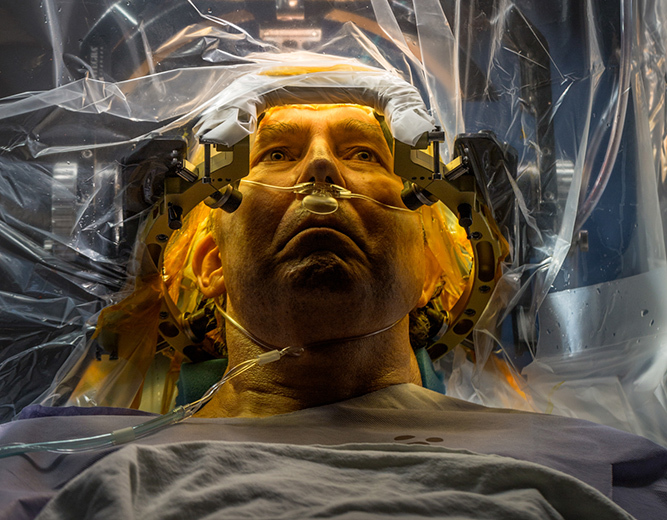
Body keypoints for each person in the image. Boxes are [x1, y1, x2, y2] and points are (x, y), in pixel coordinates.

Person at [1, 102, 666, 520]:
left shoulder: (595, 462)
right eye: (279, 154)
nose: (321, 170)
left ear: (437, 267)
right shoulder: (51, 462)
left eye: (361, 153)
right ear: (207, 264)